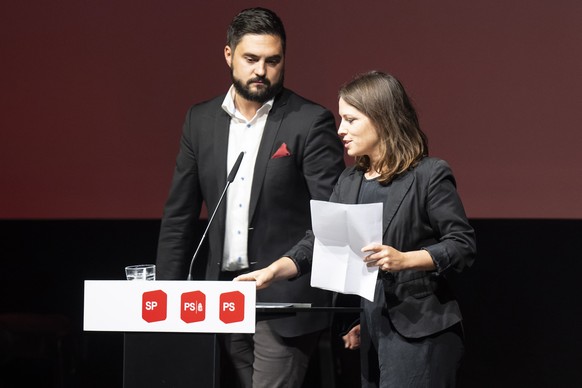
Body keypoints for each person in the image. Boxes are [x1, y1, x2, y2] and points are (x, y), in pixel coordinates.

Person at [236, 71, 477, 387]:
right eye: (341, 119)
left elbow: (462, 245)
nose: (340, 130)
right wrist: (274, 271)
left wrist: (406, 259)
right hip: (374, 329)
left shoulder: (428, 175)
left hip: (422, 332)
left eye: (351, 120)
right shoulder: (349, 182)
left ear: (381, 119)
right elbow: (319, 242)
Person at [155, 7, 345, 388]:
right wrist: (166, 297)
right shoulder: (200, 120)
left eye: (272, 61)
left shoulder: (309, 121)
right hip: (222, 296)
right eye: (251, 59)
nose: (261, 70)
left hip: (285, 301)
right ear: (229, 55)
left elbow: (332, 218)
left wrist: (289, 268)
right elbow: (180, 216)